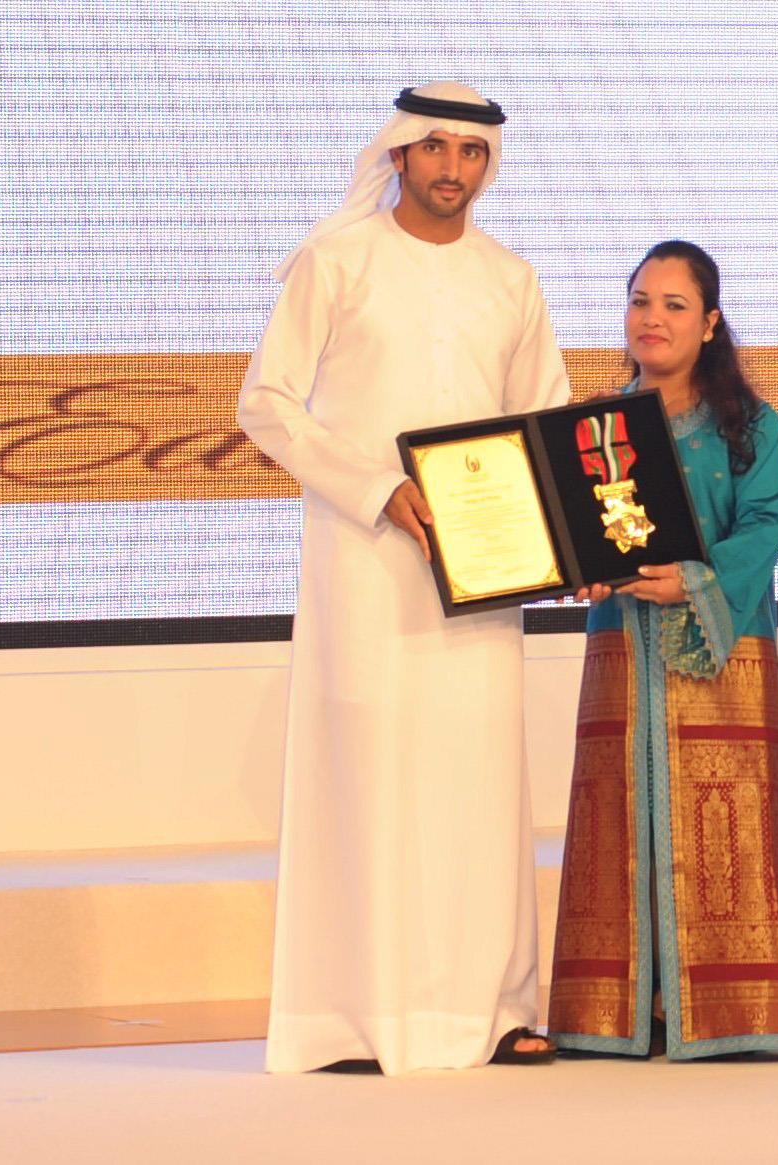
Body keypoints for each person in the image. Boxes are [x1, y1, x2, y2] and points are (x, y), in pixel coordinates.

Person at [237, 82, 570, 1074]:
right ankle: (349, 1018)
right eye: (435, 148)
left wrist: (565, 545)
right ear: (398, 156)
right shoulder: (337, 262)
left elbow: (545, 424)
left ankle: (494, 1011)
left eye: (471, 153)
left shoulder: (511, 280)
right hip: (365, 563)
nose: (452, 168)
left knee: (479, 781)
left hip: (479, 574)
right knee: (369, 780)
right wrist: (378, 490)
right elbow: (267, 402)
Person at [547, 241, 778, 1060]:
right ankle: (628, 1011)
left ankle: (735, 1010)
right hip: (624, 649)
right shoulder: (596, 426)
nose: (653, 318)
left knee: (728, 823)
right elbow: (585, 531)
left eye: (674, 304)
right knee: (623, 810)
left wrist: (697, 580)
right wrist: (576, 566)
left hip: (721, 647)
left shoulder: (752, 426)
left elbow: (768, 523)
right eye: (640, 300)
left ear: (710, 323)